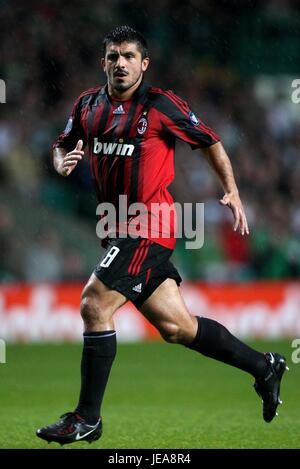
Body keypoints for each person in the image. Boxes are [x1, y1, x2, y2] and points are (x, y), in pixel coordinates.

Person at [36, 25, 288, 445]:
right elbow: (62, 144)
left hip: (150, 226)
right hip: (115, 227)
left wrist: (232, 189)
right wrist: (61, 162)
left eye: (129, 56)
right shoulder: (87, 105)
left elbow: (210, 142)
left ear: (144, 63)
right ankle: (265, 367)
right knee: (178, 328)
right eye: (113, 56)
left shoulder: (161, 105)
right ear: (104, 63)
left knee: (94, 303)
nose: (121, 63)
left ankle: (87, 418)